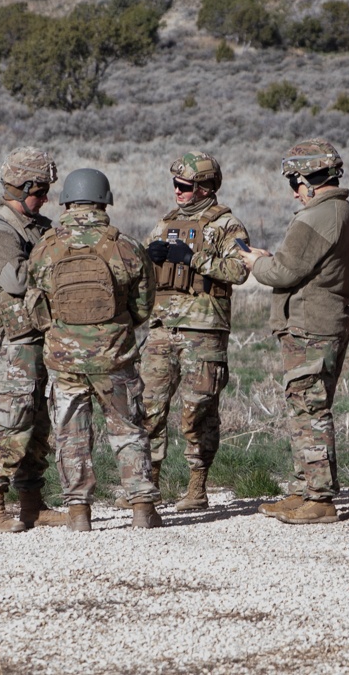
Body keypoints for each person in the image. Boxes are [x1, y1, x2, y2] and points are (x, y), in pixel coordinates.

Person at [26, 168, 162, 531]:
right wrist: (114, 328)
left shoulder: (45, 247)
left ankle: (79, 513)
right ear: (105, 200)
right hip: (114, 356)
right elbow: (145, 306)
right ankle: (142, 508)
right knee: (128, 429)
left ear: (67, 201)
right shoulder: (126, 246)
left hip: (64, 359)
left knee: (71, 435)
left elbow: (35, 304)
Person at [239, 139, 349, 525]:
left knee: (309, 409)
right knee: (303, 406)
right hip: (320, 323)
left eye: (295, 182)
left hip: (310, 327)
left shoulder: (317, 216)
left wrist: (255, 263)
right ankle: (305, 489)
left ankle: (321, 498)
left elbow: (284, 272)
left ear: (308, 179)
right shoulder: (343, 212)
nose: (294, 191)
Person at [134, 151, 250, 511]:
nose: (178, 191)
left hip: (204, 328)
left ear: (203, 188)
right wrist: (146, 259)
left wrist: (193, 258)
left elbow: (240, 271)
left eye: (185, 186)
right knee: (148, 407)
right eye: (176, 184)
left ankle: (197, 488)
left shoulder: (227, 225)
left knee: (197, 410)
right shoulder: (163, 223)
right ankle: (147, 488)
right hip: (160, 328)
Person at [0, 148, 67, 532]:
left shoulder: (37, 227)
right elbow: (15, 279)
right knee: (10, 423)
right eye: (40, 190)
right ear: (21, 187)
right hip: (15, 345)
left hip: (41, 337)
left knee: (39, 424)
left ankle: (32, 502)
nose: (45, 198)